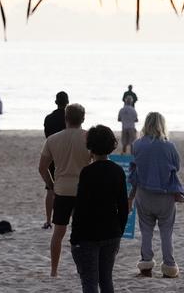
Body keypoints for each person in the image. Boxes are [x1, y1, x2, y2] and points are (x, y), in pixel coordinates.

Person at [70, 125, 128, 293]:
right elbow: (123, 207)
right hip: (111, 232)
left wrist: (75, 238)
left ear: (91, 147)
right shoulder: (117, 171)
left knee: (89, 282)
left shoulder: (87, 173)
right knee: (106, 280)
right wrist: (119, 232)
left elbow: (80, 209)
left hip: (89, 235)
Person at [128, 112, 184, 278]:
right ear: (162, 125)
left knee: (146, 231)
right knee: (166, 232)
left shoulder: (137, 144)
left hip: (143, 194)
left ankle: (146, 265)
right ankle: (169, 266)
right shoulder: (169, 146)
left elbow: (134, 168)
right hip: (165, 195)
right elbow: (177, 166)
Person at [38, 103, 89, 277]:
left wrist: (51, 184)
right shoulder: (89, 137)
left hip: (61, 190)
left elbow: (42, 167)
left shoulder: (53, 139)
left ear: (65, 118)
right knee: (83, 234)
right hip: (83, 191)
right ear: (83, 118)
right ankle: (83, 269)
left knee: (58, 233)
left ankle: (54, 270)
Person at [42, 91, 69, 230]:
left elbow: (47, 136)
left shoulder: (49, 118)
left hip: (53, 154)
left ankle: (48, 220)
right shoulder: (70, 118)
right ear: (67, 102)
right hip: (67, 155)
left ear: (56, 102)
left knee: (50, 189)